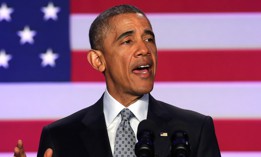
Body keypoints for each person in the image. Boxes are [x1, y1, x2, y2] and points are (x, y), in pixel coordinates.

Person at [14, 4, 221, 157]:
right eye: (127, 41)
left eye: (149, 39)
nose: (144, 50)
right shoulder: (61, 136)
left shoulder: (194, 130)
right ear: (98, 60)